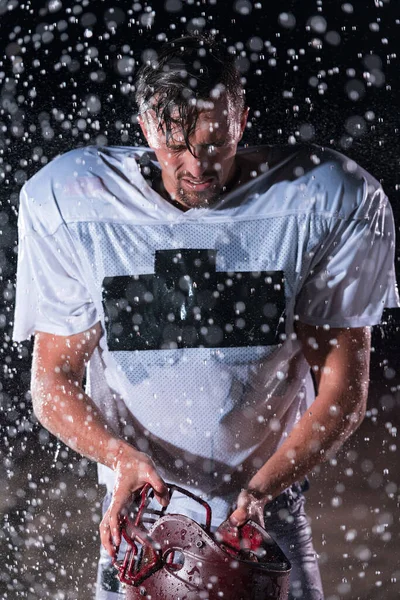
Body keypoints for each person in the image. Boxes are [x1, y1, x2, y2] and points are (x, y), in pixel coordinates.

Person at [13, 34, 399, 600]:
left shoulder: (324, 201)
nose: (196, 165)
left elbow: (343, 388)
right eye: (174, 143)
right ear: (144, 127)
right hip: (142, 518)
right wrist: (120, 460)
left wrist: (264, 491)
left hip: (266, 515)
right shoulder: (73, 202)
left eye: (214, 140)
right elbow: (50, 383)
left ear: (242, 120)